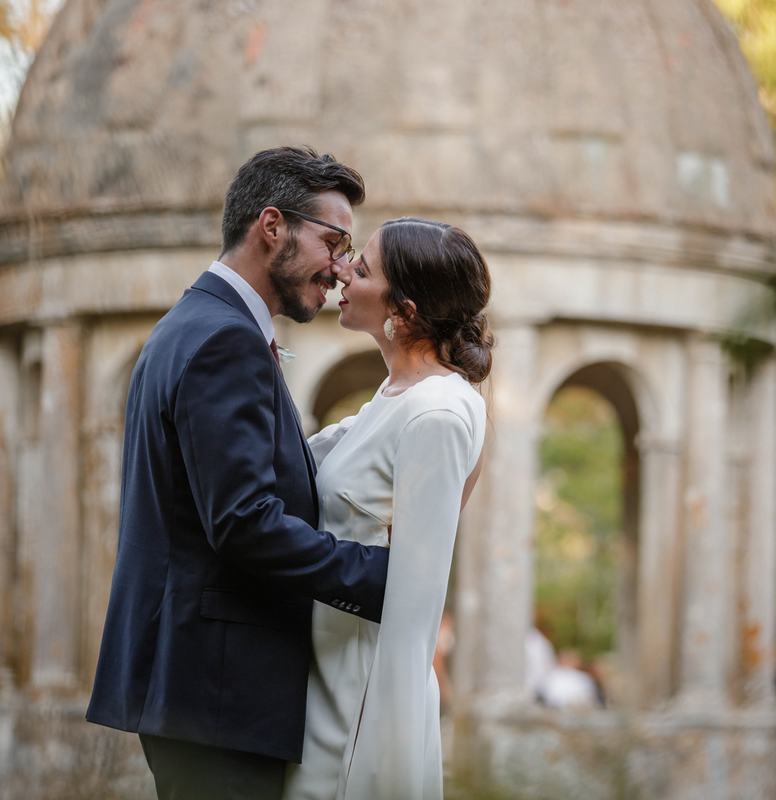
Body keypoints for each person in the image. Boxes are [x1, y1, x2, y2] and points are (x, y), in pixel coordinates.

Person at [86, 146, 391, 800]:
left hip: (199, 691)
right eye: (334, 242)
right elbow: (244, 522)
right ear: (272, 226)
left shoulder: (194, 325)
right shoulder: (223, 339)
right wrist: (381, 579)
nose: (341, 269)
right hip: (217, 694)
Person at [283, 217, 492, 800]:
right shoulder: (393, 396)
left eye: (363, 268)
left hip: (359, 715)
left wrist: (386, 767)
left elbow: (413, 610)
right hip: (317, 689)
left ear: (404, 307)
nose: (342, 270)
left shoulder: (439, 414)